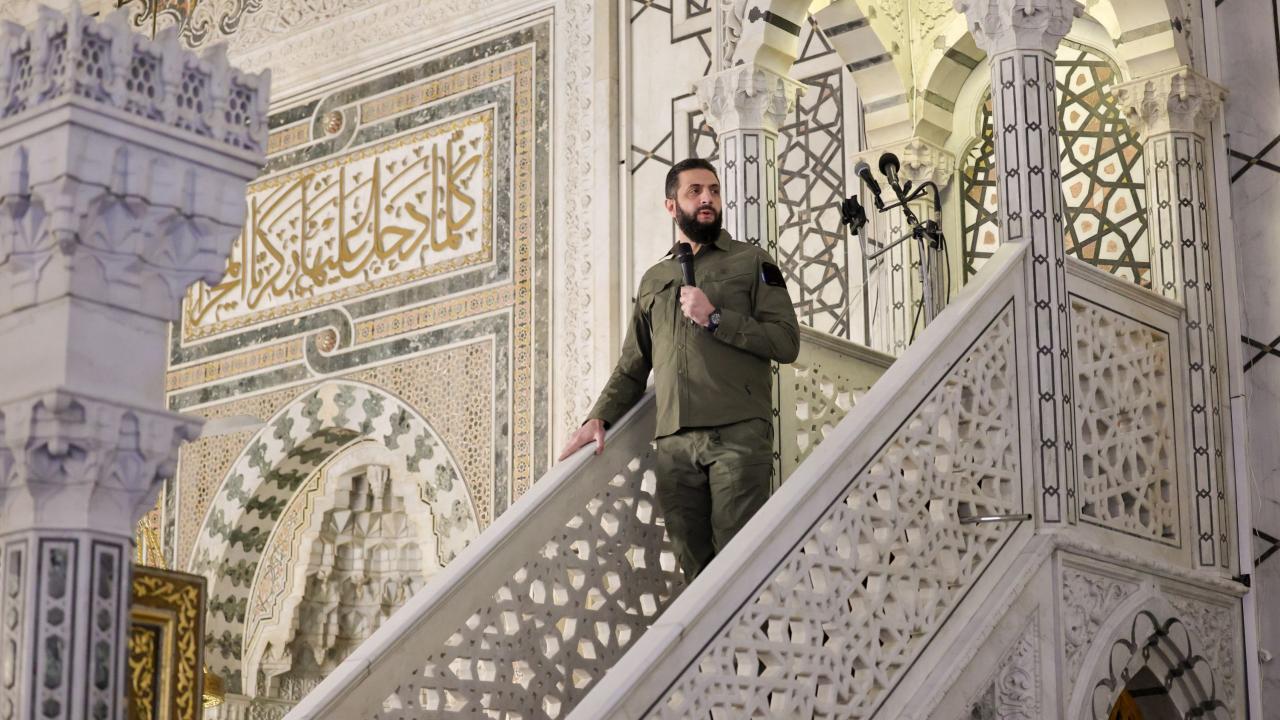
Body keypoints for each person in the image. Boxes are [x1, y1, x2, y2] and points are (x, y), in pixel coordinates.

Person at [556, 157, 800, 580]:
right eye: (695, 191)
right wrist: (599, 417)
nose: (707, 199)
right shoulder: (655, 279)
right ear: (671, 206)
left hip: (737, 437)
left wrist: (717, 318)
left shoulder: (752, 261)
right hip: (675, 446)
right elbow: (634, 363)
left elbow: (785, 342)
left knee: (740, 567)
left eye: (714, 191)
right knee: (696, 574)